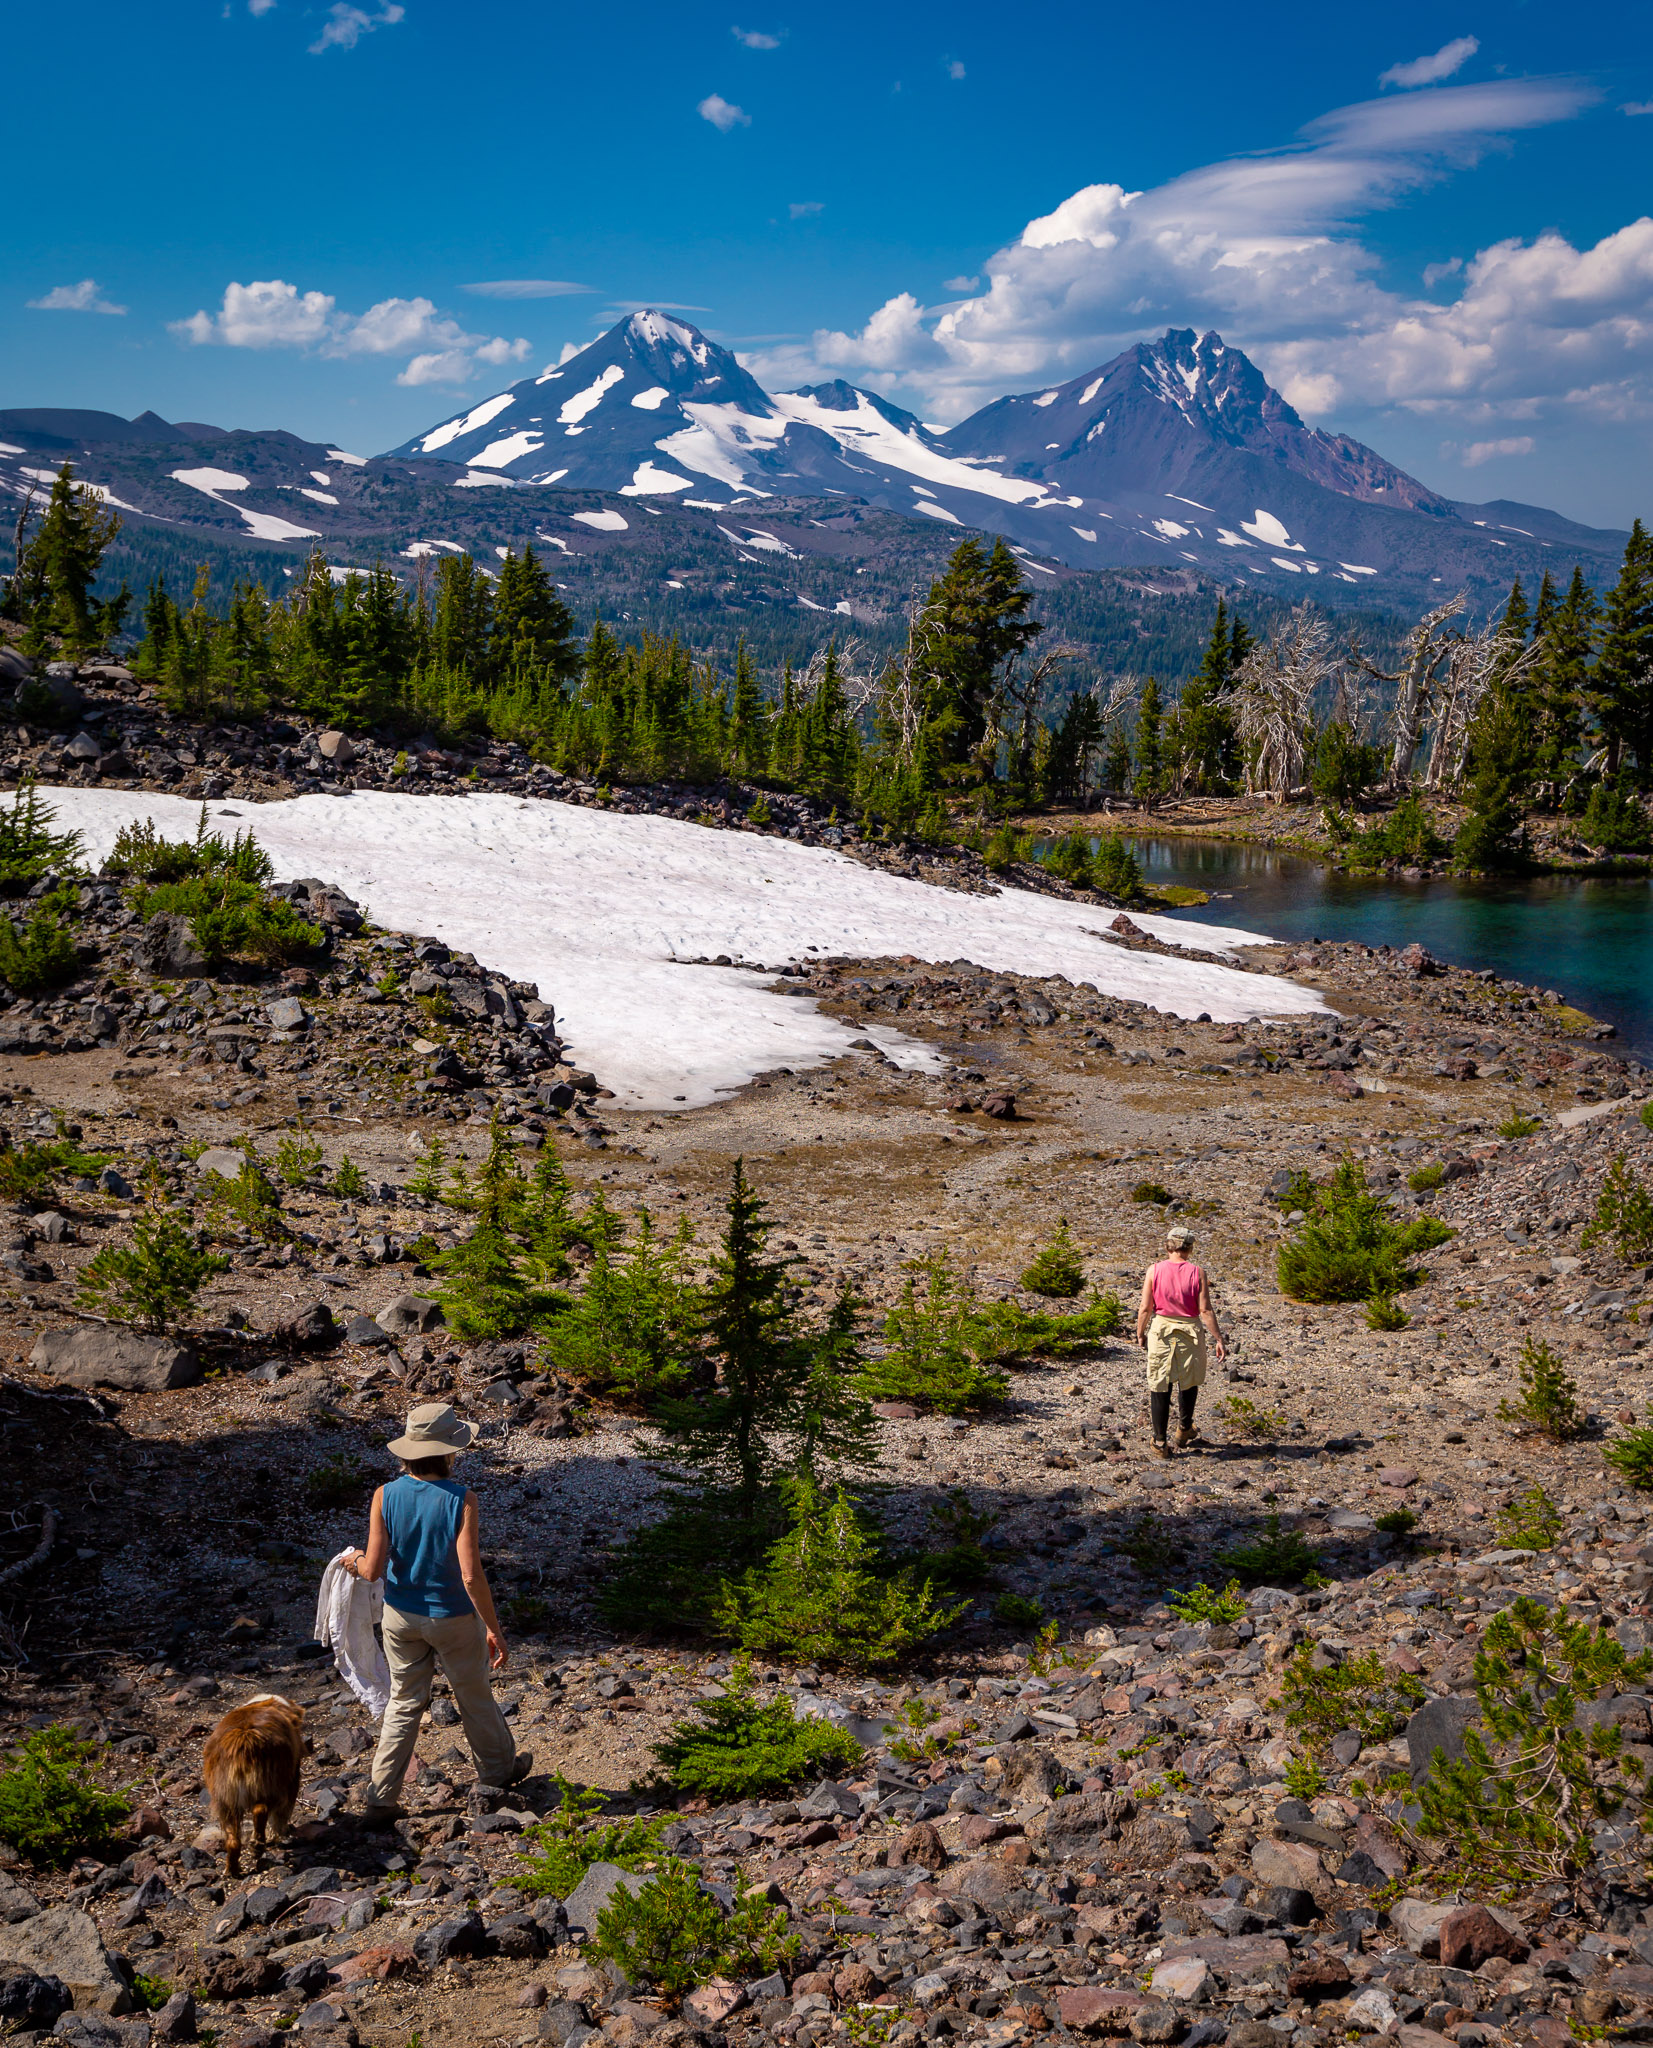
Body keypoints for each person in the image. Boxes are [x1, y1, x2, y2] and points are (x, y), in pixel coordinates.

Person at [345, 1401, 529, 1819]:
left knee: (404, 1702)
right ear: (449, 1451)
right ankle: (498, 1775)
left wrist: (350, 1561)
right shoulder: (462, 1499)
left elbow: (371, 1569)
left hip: (400, 1618)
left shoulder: (384, 1495)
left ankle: (381, 1797)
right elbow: (470, 1576)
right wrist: (493, 1627)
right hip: (451, 1617)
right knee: (473, 1693)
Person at [1134, 1223, 1226, 1458]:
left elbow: (1146, 1308)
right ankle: (1183, 1428)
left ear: (1169, 1245)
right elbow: (1205, 1310)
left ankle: (1159, 1440)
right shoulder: (1198, 1272)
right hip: (1190, 1330)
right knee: (1189, 1380)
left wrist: (1140, 1332)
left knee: (1159, 1382)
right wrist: (1218, 1338)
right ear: (1189, 1248)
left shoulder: (1154, 1270)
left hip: (1162, 1329)